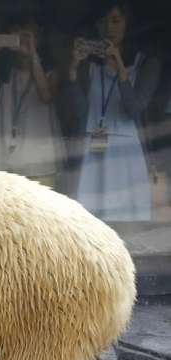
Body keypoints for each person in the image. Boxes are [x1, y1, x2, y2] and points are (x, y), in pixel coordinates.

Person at [59, 2, 160, 221]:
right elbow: (77, 113)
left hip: (127, 153)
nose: (109, 28)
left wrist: (121, 69)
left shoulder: (144, 64)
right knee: (90, 221)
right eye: (103, 22)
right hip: (92, 150)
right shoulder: (89, 64)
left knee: (128, 223)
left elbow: (134, 109)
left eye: (116, 21)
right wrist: (74, 69)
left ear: (127, 24)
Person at [0, 14, 65, 188]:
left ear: (40, 38)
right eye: (17, 34)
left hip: (39, 159)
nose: (22, 40)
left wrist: (33, 56)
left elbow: (46, 95)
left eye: (29, 35)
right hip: (3, 158)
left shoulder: (51, 72)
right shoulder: (4, 70)